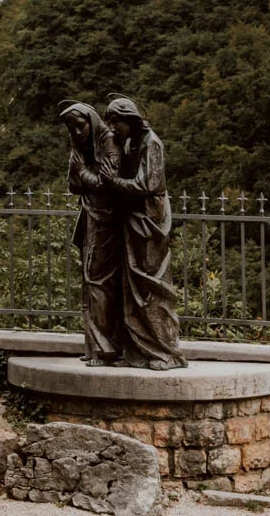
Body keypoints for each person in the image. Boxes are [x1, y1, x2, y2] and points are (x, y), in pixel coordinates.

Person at [102, 96, 186, 370]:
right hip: (133, 216)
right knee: (132, 285)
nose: (112, 127)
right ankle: (138, 349)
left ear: (129, 118)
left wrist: (113, 182)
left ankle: (164, 351)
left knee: (151, 284)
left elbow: (146, 184)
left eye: (116, 121)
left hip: (149, 218)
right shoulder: (130, 142)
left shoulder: (152, 143)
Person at [59, 101, 127, 366]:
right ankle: (94, 346)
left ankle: (106, 348)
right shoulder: (82, 148)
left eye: (80, 125)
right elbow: (74, 186)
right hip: (90, 216)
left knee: (100, 281)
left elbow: (106, 182)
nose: (76, 132)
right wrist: (80, 172)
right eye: (71, 128)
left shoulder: (108, 141)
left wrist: (84, 173)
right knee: (90, 282)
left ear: (91, 120)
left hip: (107, 220)